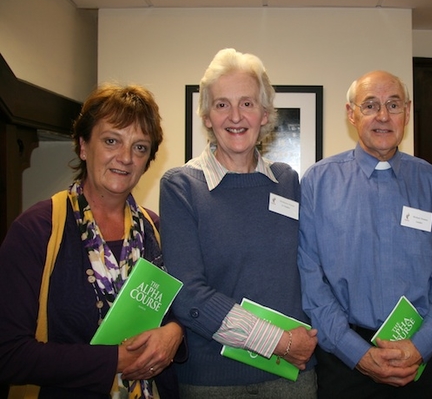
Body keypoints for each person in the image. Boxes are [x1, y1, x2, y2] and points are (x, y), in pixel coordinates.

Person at [0, 84, 185, 398]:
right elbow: (8, 353)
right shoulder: (37, 230)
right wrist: (113, 360)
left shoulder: (158, 230)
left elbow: (183, 311)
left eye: (139, 147)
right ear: (83, 146)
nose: (125, 157)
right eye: (112, 140)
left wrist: (175, 333)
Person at [160, 48, 317, 398]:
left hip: (291, 374)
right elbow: (187, 293)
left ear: (264, 114)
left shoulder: (287, 180)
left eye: (247, 103)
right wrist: (277, 341)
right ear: (206, 117)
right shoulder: (182, 186)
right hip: (213, 380)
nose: (235, 116)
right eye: (221, 105)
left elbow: (311, 267)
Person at [298, 70, 432, 398]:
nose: (383, 116)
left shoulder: (430, 180)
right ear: (351, 114)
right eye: (371, 105)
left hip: (423, 361)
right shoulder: (319, 182)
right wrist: (358, 354)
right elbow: (311, 282)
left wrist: (421, 346)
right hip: (345, 362)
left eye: (393, 105)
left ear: (407, 111)